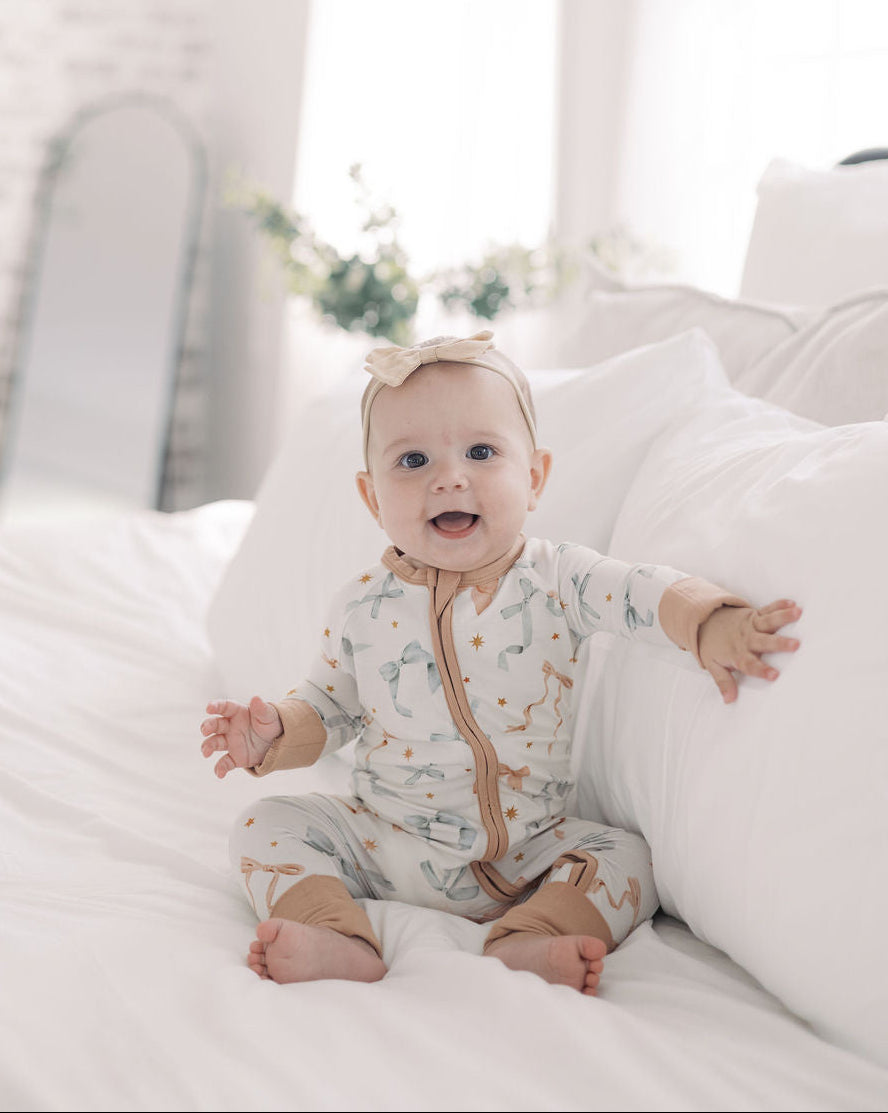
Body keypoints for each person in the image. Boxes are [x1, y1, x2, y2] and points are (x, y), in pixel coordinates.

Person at [200, 330, 801, 994]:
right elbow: (328, 705)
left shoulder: (557, 577)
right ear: (373, 499)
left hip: (530, 848)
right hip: (387, 841)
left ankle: (533, 935)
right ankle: (334, 933)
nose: (449, 476)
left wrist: (708, 623)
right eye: (413, 460)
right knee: (264, 824)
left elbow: (636, 591)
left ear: (534, 476)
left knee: (629, 856)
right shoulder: (362, 606)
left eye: (482, 452)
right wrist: (274, 733)